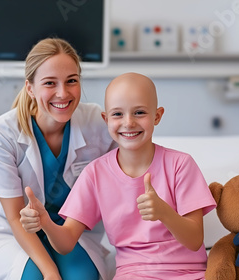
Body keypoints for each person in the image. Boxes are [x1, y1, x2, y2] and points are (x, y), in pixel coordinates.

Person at [20, 72, 217, 280]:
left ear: (157, 116)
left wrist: (164, 213)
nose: (128, 123)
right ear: (105, 119)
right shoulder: (96, 174)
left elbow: (195, 240)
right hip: (132, 274)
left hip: (190, 274)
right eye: (117, 114)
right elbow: (66, 243)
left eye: (139, 112)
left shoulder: (180, 165)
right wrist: (46, 223)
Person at [0, 38, 116, 280]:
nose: (62, 93)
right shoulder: (1, 133)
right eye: (50, 83)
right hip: (9, 232)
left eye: (71, 81)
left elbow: (131, 160)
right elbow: (14, 216)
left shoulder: (98, 122)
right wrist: (51, 273)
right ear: (30, 88)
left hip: (69, 231)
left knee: (83, 277)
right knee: (34, 277)